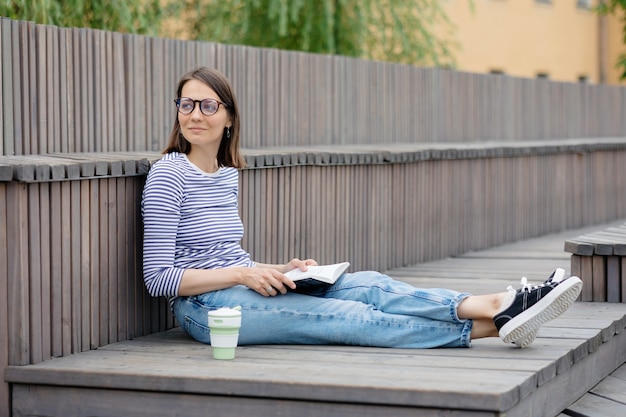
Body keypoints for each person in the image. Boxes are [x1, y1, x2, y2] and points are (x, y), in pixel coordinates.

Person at [141, 67, 583, 349]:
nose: (195, 113)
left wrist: (278, 268)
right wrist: (243, 274)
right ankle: (494, 323)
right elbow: (159, 278)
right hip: (204, 311)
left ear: (229, 117)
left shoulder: (226, 174)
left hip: (240, 288)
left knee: (371, 285)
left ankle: (502, 302)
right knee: (349, 316)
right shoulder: (169, 175)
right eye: (186, 103)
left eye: (207, 105)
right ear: (177, 111)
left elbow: (224, 255)